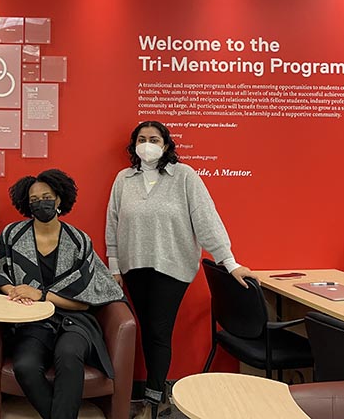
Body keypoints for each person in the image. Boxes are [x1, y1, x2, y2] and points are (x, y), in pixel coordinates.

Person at [105, 120, 254, 419]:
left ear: (166, 145)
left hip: (171, 267)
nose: (148, 144)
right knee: (147, 331)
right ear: (134, 145)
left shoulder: (184, 177)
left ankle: (154, 402)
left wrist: (229, 261)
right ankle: (157, 395)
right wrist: (114, 266)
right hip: (134, 267)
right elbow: (113, 224)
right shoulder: (124, 179)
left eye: (155, 139)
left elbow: (206, 219)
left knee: (159, 331)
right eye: (142, 139)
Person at [0, 169, 124, 419]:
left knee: (69, 356)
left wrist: (40, 294)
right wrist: (15, 292)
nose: (41, 203)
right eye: (34, 199)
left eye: (47, 197)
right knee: (25, 366)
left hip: (74, 321)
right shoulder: (12, 235)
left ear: (59, 199)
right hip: (32, 321)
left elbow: (84, 301)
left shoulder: (79, 240)